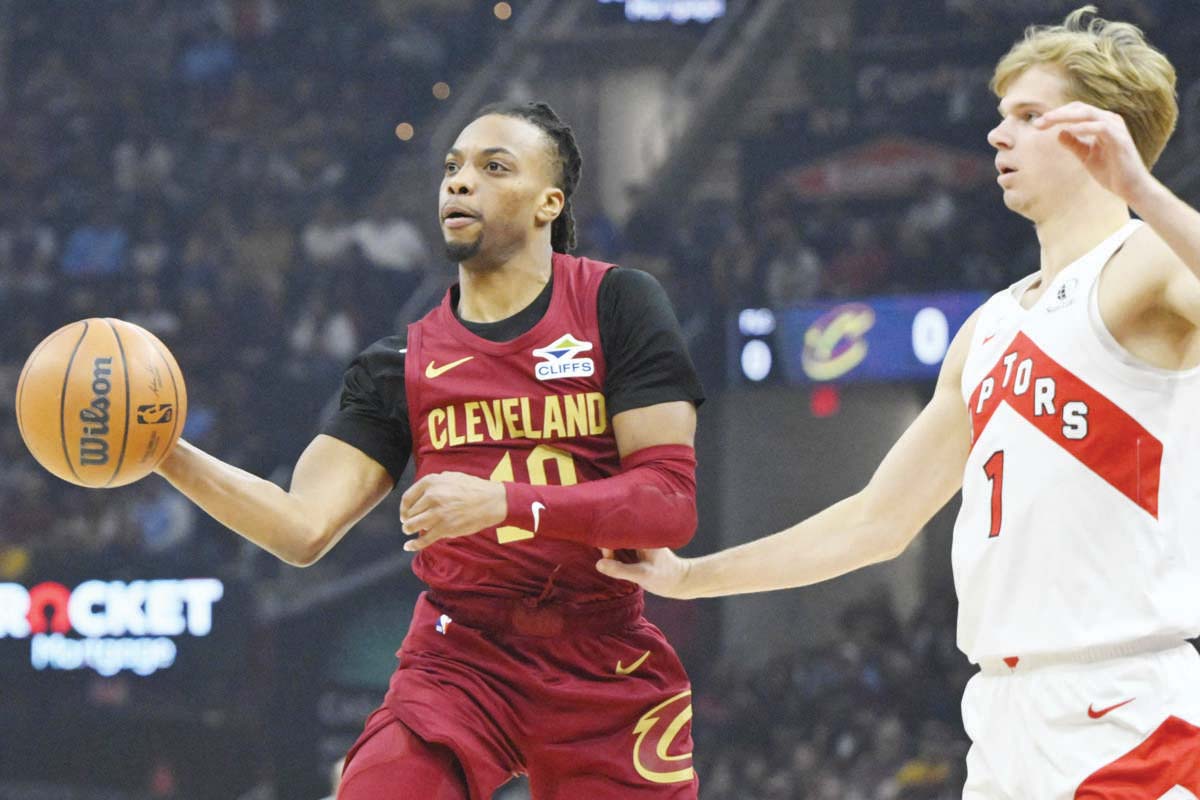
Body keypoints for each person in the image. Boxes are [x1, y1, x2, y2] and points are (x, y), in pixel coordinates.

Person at [598, 7, 1200, 798]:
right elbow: (874, 522)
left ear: (1099, 132)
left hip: (1125, 700)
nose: (997, 136)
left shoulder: (1149, 260)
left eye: (1027, 116)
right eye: (999, 117)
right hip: (1003, 713)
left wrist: (1142, 189)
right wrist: (689, 579)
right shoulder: (988, 327)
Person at [155, 101, 704, 800]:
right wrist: (166, 452)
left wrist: (504, 502)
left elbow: (668, 504)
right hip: (461, 654)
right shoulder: (400, 363)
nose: (460, 181)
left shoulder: (618, 304)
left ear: (549, 203)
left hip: (602, 653)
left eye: (492, 166)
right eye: (452, 168)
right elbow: (301, 529)